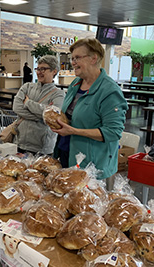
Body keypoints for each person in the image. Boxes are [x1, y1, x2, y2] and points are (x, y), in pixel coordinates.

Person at [53, 38, 128, 180]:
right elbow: (70, 116)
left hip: (91, 163)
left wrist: (74, 131)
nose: (73, 62)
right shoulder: (75, 84)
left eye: (77, 58)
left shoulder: (109, 91)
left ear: (94, 58)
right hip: (66, 151)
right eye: (72, 58)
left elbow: (113, 132)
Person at [13, 55, 65, 155]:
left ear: (54, 71)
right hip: (20, 143)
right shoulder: (27, 87)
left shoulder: (59, 94)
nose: (39, 72)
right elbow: (16, 108)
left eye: (43, 69)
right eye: (38, 68)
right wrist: (42, 116)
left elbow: (53, 117)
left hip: (42, 148)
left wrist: (28, 103)